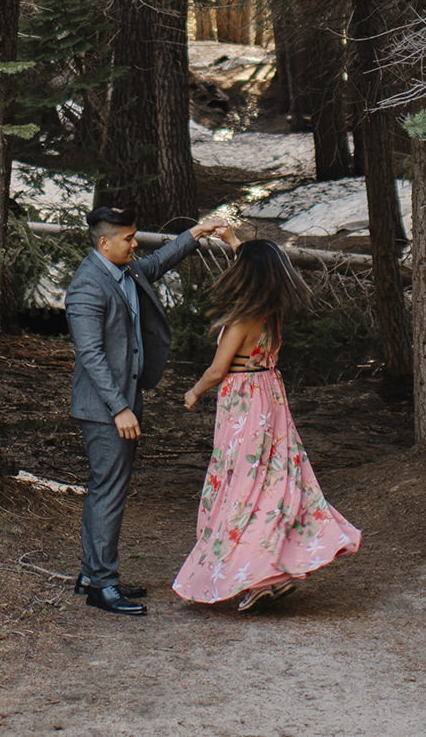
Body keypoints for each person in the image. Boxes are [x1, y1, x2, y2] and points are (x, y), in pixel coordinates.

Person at [67, 203, 239, 616]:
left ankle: (93, 573)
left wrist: (196, 233)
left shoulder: (127, 270)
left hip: (122, 400)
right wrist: (119, 408)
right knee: (108, 490)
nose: (134, 244)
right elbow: (90, 354)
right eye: (128, 239)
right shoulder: (87, 286)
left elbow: (160, 259)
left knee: (106, 487)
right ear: (104, 243)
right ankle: (102, 586)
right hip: (106, 408)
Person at [172, 236, 362, 610]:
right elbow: (258, 257)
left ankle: (255, 576)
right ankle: (274, 568)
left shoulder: (242, 319)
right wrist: (231, 239)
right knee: (274, 481)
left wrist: (193, 392)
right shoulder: (270, 315)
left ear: (245, 275)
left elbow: (216, 370)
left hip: (243, 405)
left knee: (242, 485)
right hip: (270, 398)